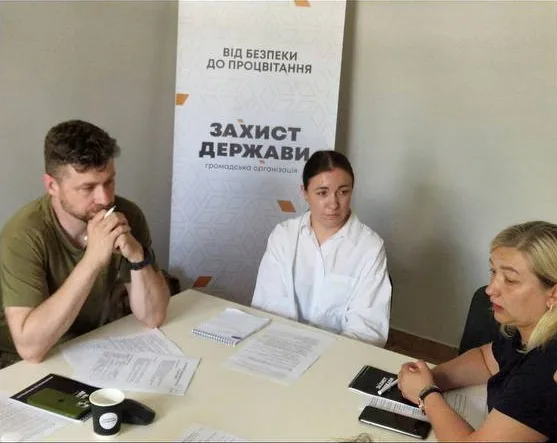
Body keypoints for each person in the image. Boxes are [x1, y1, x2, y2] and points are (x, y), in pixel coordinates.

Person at [0, 120, 170, 368]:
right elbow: (30, 349)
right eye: (87, 188)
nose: (105, 198)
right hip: (24, 361)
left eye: (109, 182)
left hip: (91, 343)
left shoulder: (127, 215)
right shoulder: (23, 234)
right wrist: (92, 261)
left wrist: (137, 256)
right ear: (52, 186)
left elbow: (153, 317)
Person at [398, 221, 557, 441]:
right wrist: (432, 378)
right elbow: (486, 359)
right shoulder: (529, 326)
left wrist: (426, 394)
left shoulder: (546, 369)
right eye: (493, 272)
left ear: (553, 294)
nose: (490, 289)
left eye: (510, 280)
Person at [251, 150, 392, 347]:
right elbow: (266, 305)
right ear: (305, 193)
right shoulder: (284, 236)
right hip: (280, 345)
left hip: (339, 353)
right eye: (322, 193)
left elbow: (368, 329)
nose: (333, 204)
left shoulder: (370, 247)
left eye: (343, 192)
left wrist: (323, 354)